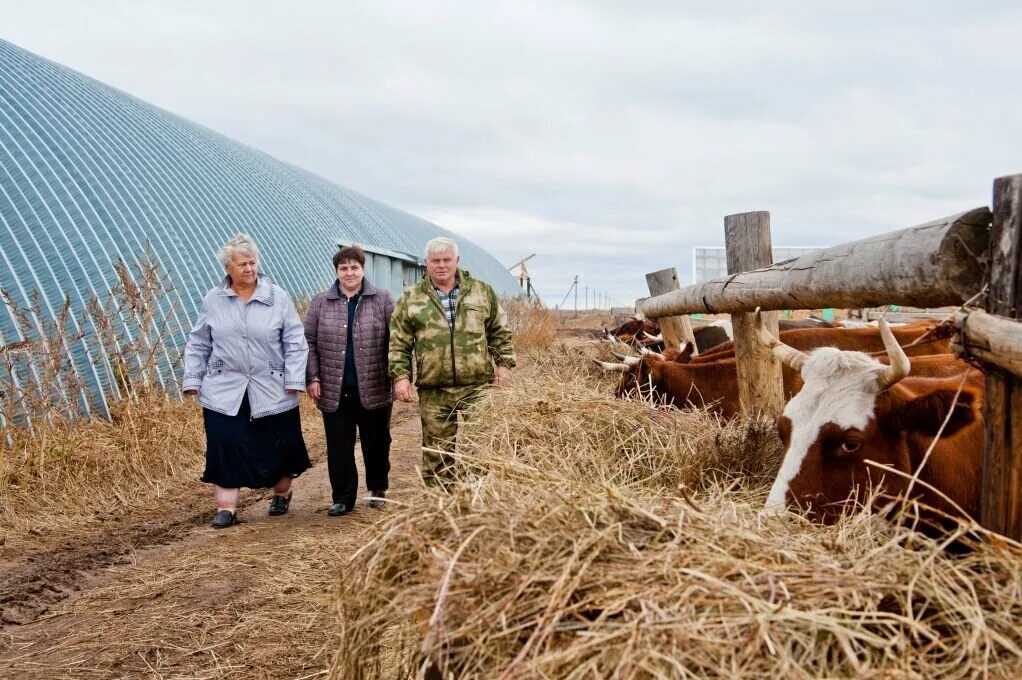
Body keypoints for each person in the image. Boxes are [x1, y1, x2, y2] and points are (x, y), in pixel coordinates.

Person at [182, 234, 311, 529]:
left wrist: (294, 378)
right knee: (225, 444)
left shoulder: (277, 296)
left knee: (279, 445)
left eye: (253, 262)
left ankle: (281, 493)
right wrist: (193, 378)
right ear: (228, 267)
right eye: (242, 264)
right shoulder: (213, 299)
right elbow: (198, 342)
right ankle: (226, 508)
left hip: (273, 387)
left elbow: (294, 340)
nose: (249, 269)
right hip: (224, 389)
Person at [389, 236, 516, 486]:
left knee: (479, 448)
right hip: (434, 390)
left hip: (478, 387)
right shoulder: (411, 298)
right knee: (438, 454)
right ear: (426, 264)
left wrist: (503, 365)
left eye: (447, 260)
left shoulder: (481, 292)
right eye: (435, 260)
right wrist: (401, 377)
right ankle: (440, 508)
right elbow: (399, 342)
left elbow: (499, 332)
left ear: (457, 261)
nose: (442, 265)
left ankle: (478, 503)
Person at [304, 245, 395, 516]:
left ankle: (378, 489)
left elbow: (397, 339)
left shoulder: (382, 299)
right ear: (336, 272)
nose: (349, 272)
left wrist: (400, 374)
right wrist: (313, 376)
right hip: (334, 388)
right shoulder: (321, 302)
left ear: (363, 269)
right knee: (339, 445)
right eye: (343, 268)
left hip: (375, 385)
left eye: (354, 267)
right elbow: (309, 342)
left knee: (376, 441)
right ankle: (343, 497)